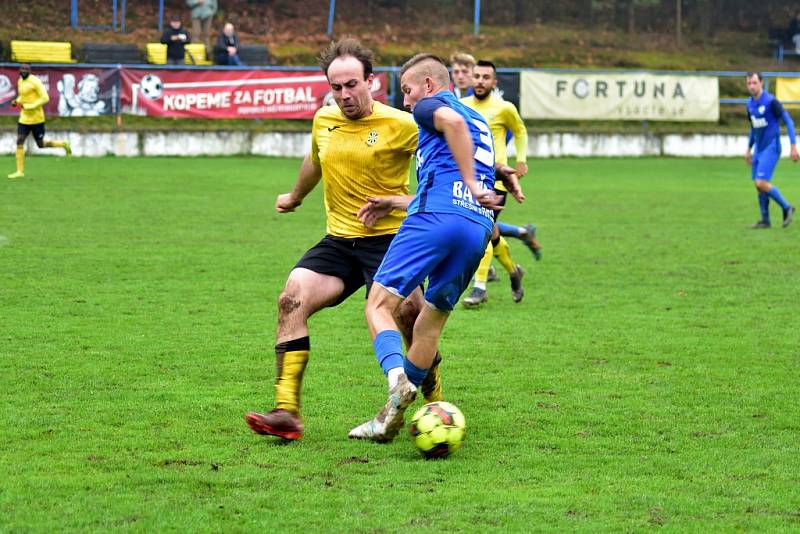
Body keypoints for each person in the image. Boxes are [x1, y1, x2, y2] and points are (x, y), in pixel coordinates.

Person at [244, 39, 443, 441]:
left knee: (409, 315)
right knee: (291, 300)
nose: (344, 95)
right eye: (336, 88)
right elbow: (315, 159)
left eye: (352, 85)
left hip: (390, 240)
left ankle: (433, 401)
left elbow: (441, 171)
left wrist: (400, 202)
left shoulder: (403, 125)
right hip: (339, 241)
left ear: (372, 82)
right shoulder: (324, 120)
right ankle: (286, 412)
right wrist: (295, 195)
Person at [348, 53, 522, 442]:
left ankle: (397, 380)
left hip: (433, 221)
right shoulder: (478, 119)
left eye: (407, 90)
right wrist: (490, 178)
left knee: (378, 304)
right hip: (475, 227)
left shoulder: (433, 106)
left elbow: (452, 126)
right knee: (429, 323)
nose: (407, 102)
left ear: (428, 85)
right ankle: (387, 418)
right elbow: (455, 173)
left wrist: (475, 183)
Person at [460, 60, 540, 307]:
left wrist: (522, 160)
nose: (480, 81)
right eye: (477, 76)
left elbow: (520, 130)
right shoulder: (461, 107)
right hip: (470, 179)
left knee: (481, 233)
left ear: (494, 83)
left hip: (497, 180)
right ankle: (514, 271)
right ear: (472, 79)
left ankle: (480, 287)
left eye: (486, 77)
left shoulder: (504, 108)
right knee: (490, 233)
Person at [745, 72, 796, 229]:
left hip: (772, 146)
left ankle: (787, 207)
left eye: (754, 83)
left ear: (761, 83)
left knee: (761, 182)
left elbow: (788, 121)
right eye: (749, 83)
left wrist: (793, 145)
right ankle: (765, 220)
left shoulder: (771, 101)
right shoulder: (749, 104)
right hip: (759, 149)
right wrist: (749, 148)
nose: (752, 86)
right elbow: (753, 127)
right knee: (757, 184)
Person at [7, 64, 70, 180]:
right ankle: (19, 171)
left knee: (40, 144)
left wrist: (31, 106)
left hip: (37, 118)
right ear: (19, 70)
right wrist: (17, 101)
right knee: (19, 140)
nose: (24, 71)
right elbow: (23, 96)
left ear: (30, 71)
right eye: (22, 69)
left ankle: (64, 144)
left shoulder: (35, 81)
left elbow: (45, 98)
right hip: (24, 118)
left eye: (26, 69)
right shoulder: (20, 81)